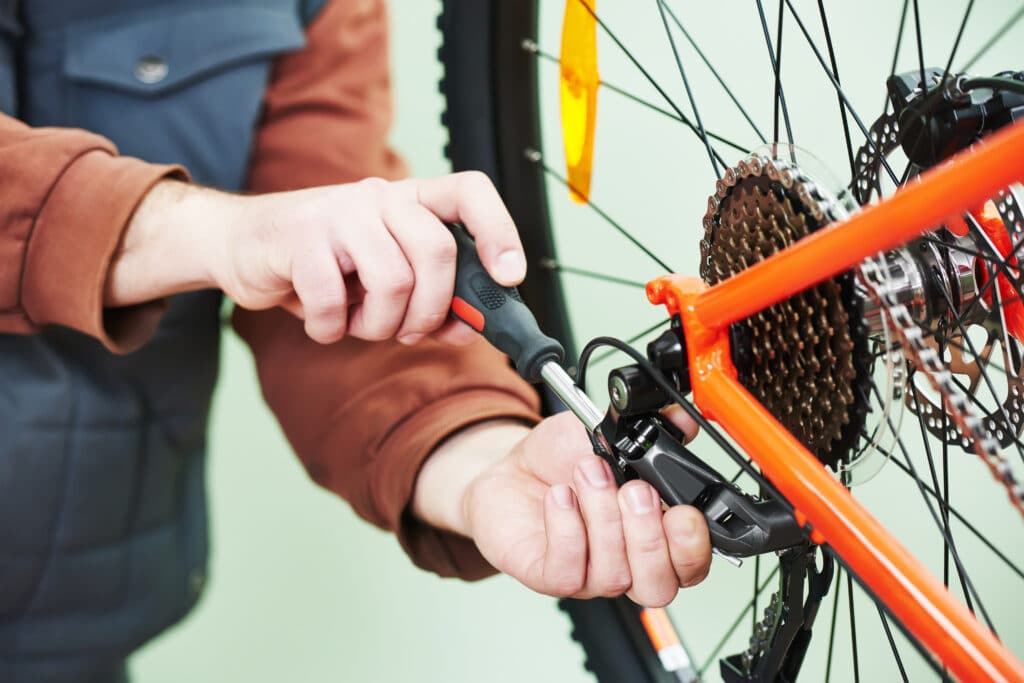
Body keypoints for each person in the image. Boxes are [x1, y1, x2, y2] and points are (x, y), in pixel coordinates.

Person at [0, 0, 712, 680]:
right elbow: (267, 238)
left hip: (69, 630)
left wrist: (480, 462)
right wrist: (215, 232)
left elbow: (343, 284)